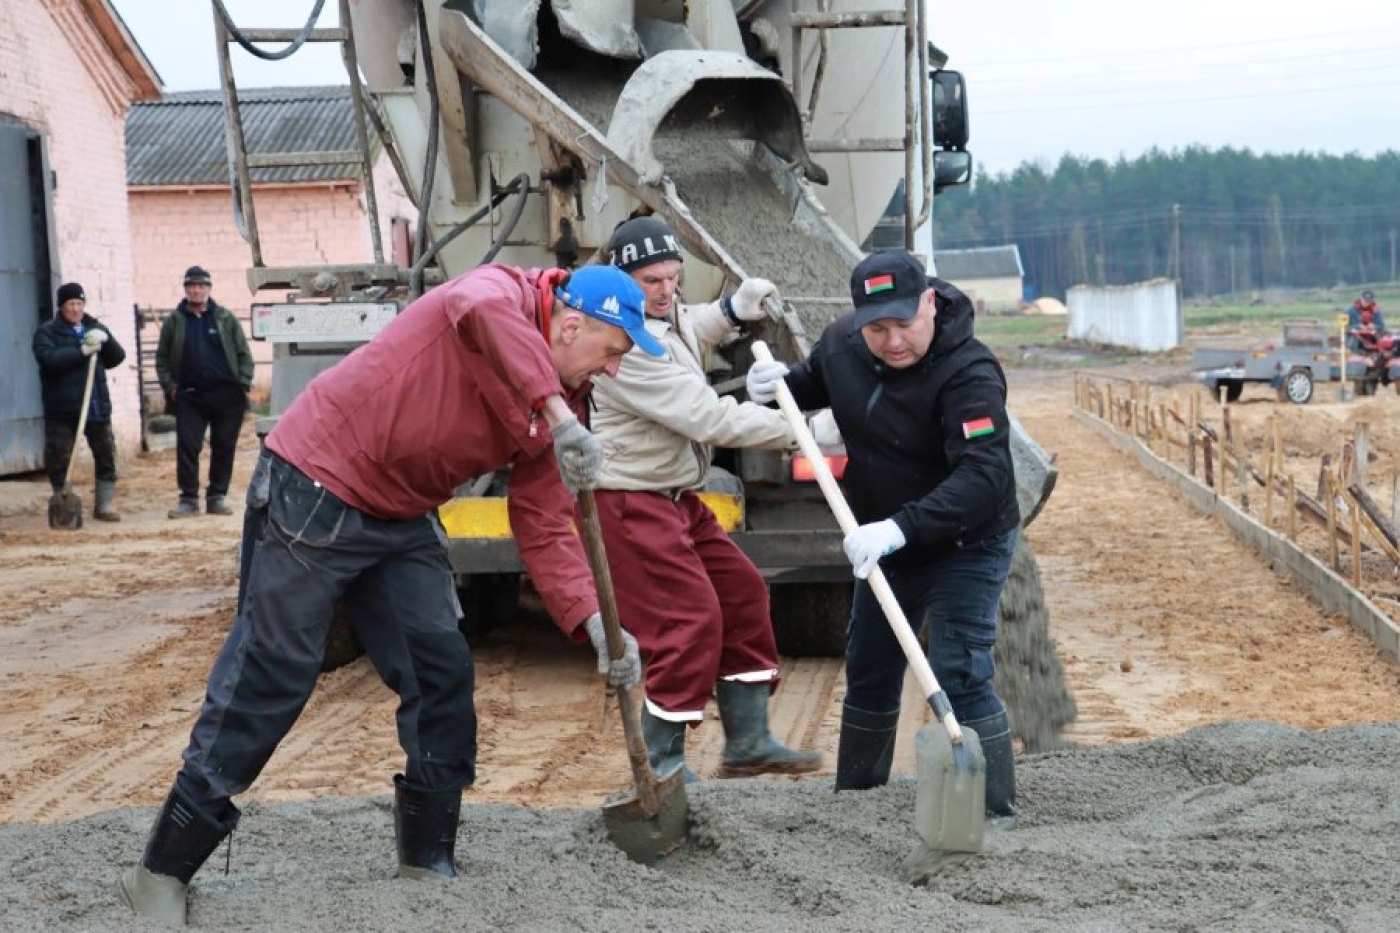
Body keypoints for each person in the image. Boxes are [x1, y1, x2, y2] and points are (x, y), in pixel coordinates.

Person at [119, 263, 659, 925]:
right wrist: (551, 405)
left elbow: (544, 522)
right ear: (570, 323)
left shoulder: (568, 411)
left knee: (439, 668)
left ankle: (427, 857)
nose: (610, 371)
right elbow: (468, 303)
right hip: (320, 476)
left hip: (402, 514)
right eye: (611, 353)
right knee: (275, 670)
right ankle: (163, 871)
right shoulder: (502, 295)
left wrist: (596, 623)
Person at [747, 249, 1021, 863]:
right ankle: (857, 802)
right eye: (877, 328)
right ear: (857, 319)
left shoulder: (969, 372)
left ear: (929, 303)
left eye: (904, 324)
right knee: (869, 666)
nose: (892, 341)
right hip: (886, 539)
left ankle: (993, 812)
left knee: (958, 667)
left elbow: (983, 476)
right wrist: (776, 386)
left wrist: (899, 528)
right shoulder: (846, 344)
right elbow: (813, 383)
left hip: (966, 540)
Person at [587, 216, 823, 781]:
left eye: (673, 277)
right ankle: (662, 767)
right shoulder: (619, 346)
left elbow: (688, 326)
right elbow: (706, 417)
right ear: (622, 283)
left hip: (672, 495)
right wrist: (804, 429)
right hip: (628, 501)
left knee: (740, 594)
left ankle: (747, 741)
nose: (667, 292)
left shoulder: (660, 315)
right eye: (652, 281)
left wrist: (732, 312)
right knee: (687, 621)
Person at [154, 265, 255, 518]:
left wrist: (243, 382)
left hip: (227, 395)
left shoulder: (224, 318)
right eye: (192, 286)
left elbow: (243, 353)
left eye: (201, 286)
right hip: (190, 395)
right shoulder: (175, 322)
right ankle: (188, 499)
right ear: (186, 289)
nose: (196, 290)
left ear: (209, 289)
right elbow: (162, 359)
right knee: (188, 446)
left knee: (224, 446)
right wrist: (170, 387)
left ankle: (217, 496)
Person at [31, 282, 128, 521]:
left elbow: (117, 358)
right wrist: (81, 351)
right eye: (71, 304)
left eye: (79, 304)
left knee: (105, 453)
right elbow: (49, 360)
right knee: (59, 457)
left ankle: (104, 505)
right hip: (62, 408)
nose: (76, 309)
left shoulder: (93, 327)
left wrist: (106, 339)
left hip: (95, 405)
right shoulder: (47, 332)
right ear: (61, 306)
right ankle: (63, 501)